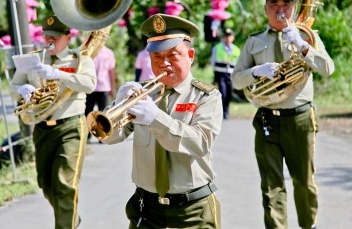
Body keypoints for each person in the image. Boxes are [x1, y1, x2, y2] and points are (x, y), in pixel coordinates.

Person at [100, 13, 223, 228]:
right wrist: (115, 107)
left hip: (192, 210)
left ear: (191, 55)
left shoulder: (206, 96)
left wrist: (155, 118)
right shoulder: (143, 94)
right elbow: (109, 137)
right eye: (157, 57)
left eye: (173, 55)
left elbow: (201, 142)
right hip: (147, 208)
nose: (164, 63)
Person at [231, 0, 335, 229]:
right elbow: (236, 80)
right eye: (274, 4)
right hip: (267, 117)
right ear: (266, 8)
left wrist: (303, 46)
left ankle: (309, 225)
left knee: (304, 181)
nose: (280, 9)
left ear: (293, 6)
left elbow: (328, 69)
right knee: (271, 184)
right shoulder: (254, 42)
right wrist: (256, 71)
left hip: (300, 118)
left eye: (285, 4)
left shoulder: (308, 36)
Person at [10, 14, 96, 229]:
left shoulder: (79, 60)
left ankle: (65, 224)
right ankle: (71, 218)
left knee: (65, 184)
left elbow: (89, 84)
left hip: (70, 126)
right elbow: (14, 87)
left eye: (56, 37)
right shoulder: (32, 59)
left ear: (68, 37)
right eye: (47, 36)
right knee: (46, 184)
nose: (50, 40)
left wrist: (58, 74)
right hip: (41, 127)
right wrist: (22, 90)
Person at [211, 28, 240, 119]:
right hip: (220, 74)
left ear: (233, 37)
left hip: (230, 75)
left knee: (229, 93)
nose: (227, 38)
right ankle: (222, 112)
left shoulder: (236, 50)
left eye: (229, 36)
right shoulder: (217, 47)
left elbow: (238, 64)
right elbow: (213, 61)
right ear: (223, 37)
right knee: (223, 92)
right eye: (225, 36)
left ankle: (226, 110)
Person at [85, 46, 116, 118]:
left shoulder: (109, 53)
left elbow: (111, 72)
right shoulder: (90, 51)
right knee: (91, 113)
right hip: (93, 87)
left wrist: (112, 87)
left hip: (101, 87)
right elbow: (111, 72)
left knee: (101, 114)